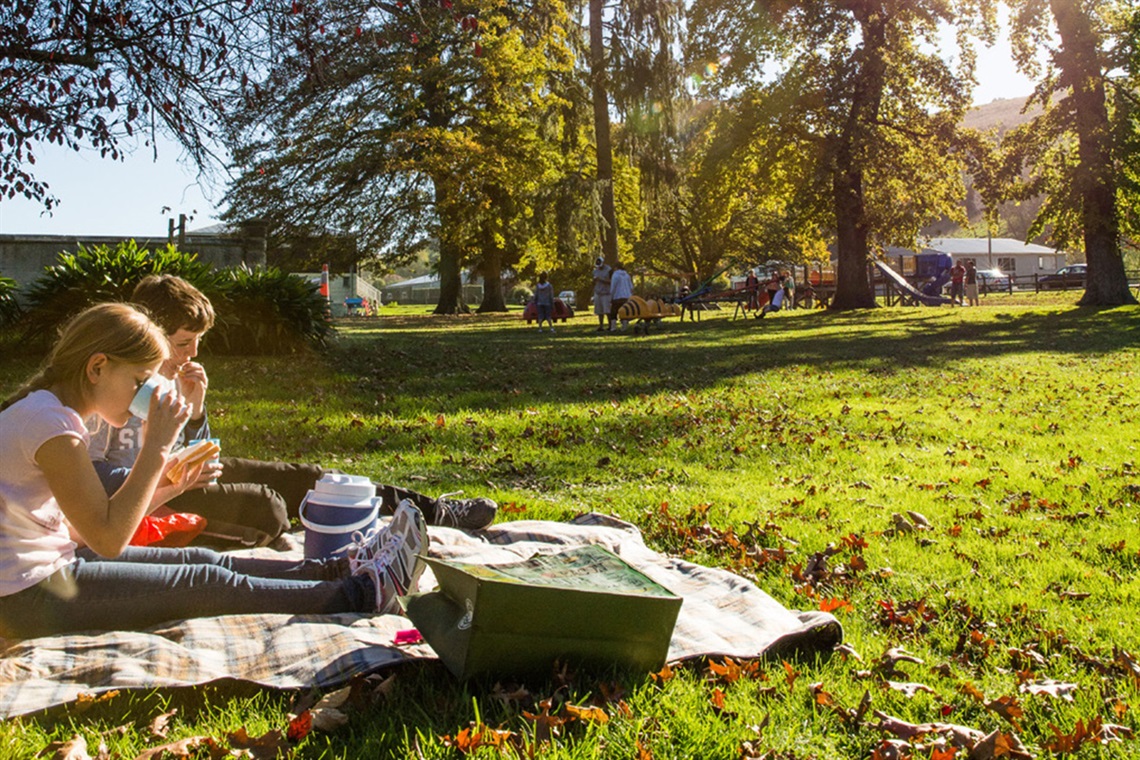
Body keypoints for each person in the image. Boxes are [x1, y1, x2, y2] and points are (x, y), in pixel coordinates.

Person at [0, 303, 426, 639]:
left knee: (198, 558)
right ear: (97, 367)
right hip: (27, 597)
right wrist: (157, 445)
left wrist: (166, 486)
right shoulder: (51, 426)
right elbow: (107, 539)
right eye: (139, 381)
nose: (143, 396)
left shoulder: (50, 413)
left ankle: (337, 569)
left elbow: (83, 530)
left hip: (48, 569)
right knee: (201, 580)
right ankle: (363, 593)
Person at [89, 275, 497, 549]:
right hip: (149, 500)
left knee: (314, 479)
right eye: (182, 343)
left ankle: (435, 512)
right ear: (149, 336)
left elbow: (200, 452)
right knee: (267, 507)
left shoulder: (178, 377)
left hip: (184, 480)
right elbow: (90, 477)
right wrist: (160, 476)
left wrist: (196, 415)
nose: (193, 353)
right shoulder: (112, 385)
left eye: (198, 340)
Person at [609, 262, 633, 331]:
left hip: (617, 296)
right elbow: (631, 287)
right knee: (624, 312)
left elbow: (613, 287)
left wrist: (611, 296)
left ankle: (613, 327)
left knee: (614, 312)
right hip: (627, 296)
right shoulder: (627, 275)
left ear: (616, 267)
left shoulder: (615, 275)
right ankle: (624, 327)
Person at [592, 256, 612, 332]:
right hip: (598, 292)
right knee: (599, 311)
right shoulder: (595, 271)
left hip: (606, 293)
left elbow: (610, 281)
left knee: (607, 310)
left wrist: (601, 279)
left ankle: (610, 325)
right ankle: (601, 326)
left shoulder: (608, 270)